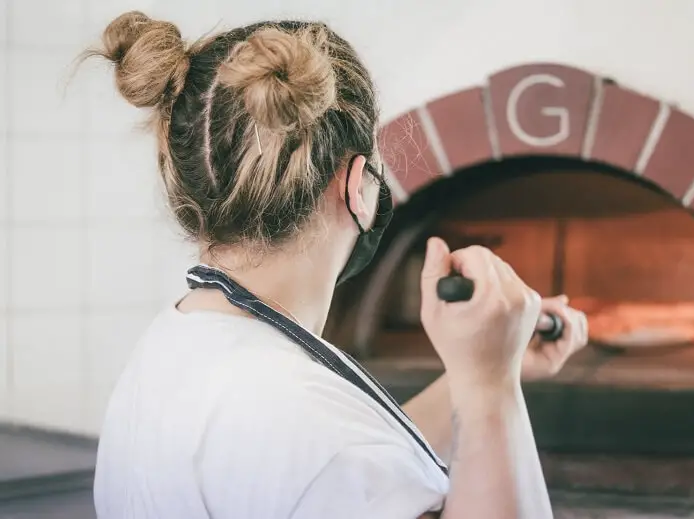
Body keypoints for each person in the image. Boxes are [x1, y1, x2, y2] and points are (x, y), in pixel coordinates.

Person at [84, 11, 589, 519]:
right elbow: (333, 461)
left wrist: (489, 366)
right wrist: (490, 391)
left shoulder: (177, 341)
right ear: (357, 187)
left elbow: (333, 468)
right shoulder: (312, 433)